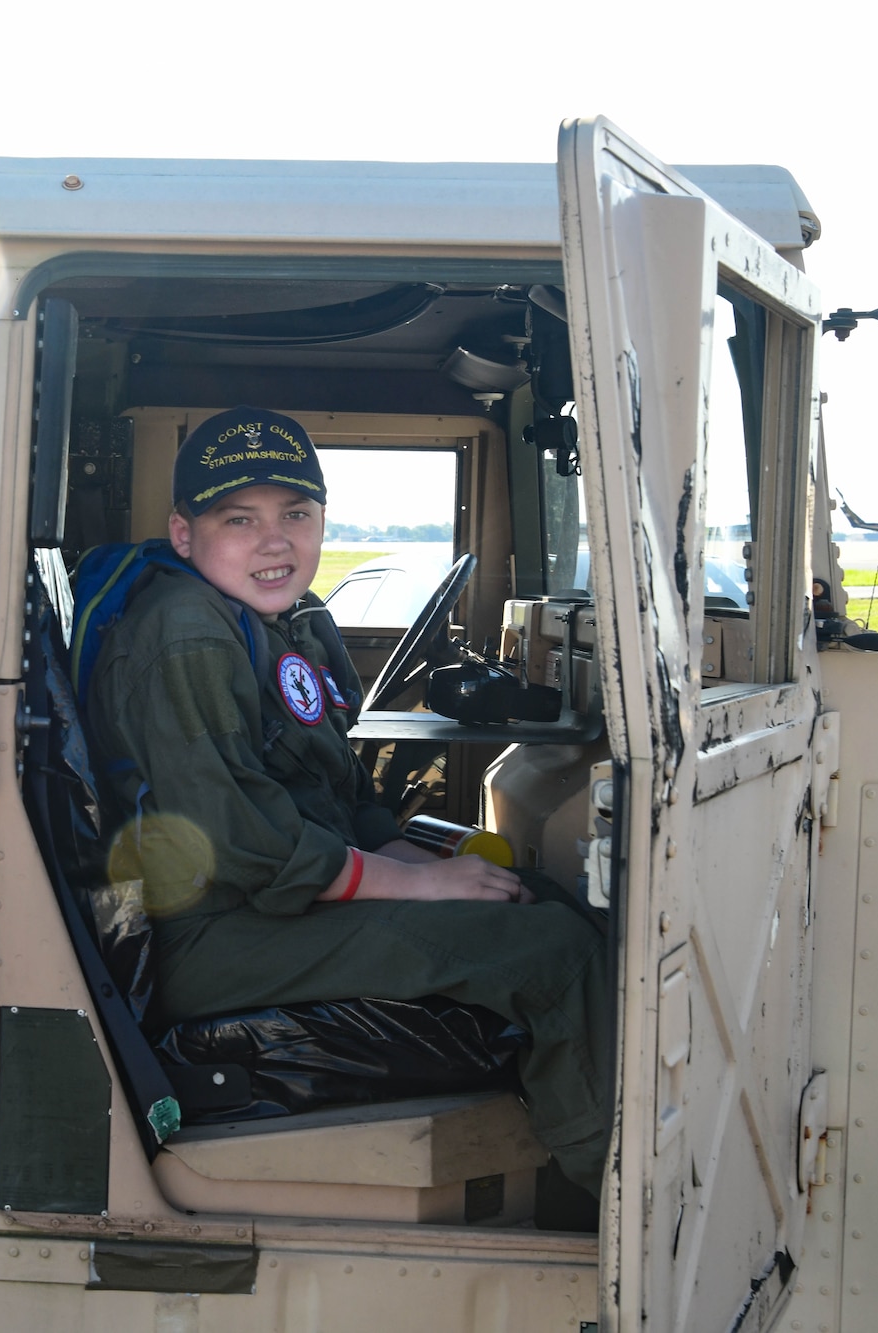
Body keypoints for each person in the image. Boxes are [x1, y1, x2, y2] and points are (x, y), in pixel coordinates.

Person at [83, 406, 612, 1192]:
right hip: (205, 936)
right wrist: (421, 882)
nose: (275, 540)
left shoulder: (290, 620)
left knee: (535, 899)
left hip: (265, 906)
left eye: (296, 513)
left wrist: (400, 852)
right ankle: (604, 1194)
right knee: (551, 955)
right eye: (239, 518)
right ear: (185, 535)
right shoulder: (186, 632)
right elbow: (245, 843)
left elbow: (338, 786)